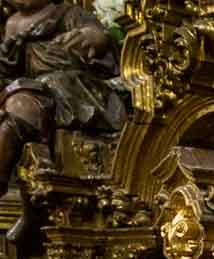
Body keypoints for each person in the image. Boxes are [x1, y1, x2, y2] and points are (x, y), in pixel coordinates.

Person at [0, 0, 124, 240]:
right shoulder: (13, 24)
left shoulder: (67, 13)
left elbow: (100, 39)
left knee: (22, 104)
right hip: (28, 86)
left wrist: (93, 37)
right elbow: (9, 64)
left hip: (69, 85)